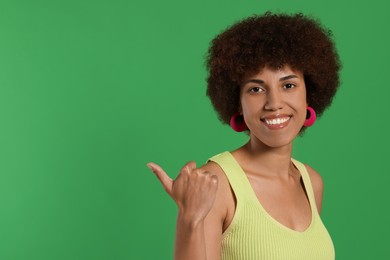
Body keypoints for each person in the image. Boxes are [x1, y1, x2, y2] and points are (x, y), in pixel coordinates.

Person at [147, 12, 340, 260]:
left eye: (288, 85)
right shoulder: (215, 183)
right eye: (256, 89)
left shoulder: (312, 182)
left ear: (308, 93)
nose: (274, 103)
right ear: (237, 103)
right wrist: (190, 217)